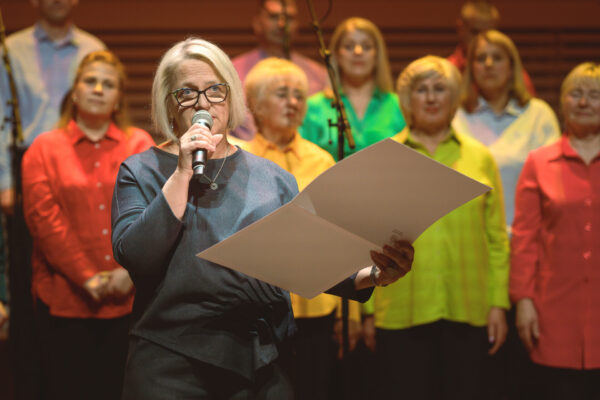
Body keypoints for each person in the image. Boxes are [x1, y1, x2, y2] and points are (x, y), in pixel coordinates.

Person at [111, 37, 414, 399]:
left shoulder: (272, 177)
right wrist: (181, 173)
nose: (203, 103)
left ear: (231, 97)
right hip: (170, 363)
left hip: (261, 362)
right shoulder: (141, 170)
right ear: (168, 103)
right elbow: (137, 256)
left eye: (215, 90)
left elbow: (309, 259)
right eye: (187, 93)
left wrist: (375, 273)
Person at [363, 55, 510, 400]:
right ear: (406, 100)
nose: (430, 98)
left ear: (454, 97)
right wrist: (365, 311)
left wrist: (498, 304)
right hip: (398, 310)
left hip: (469, 308)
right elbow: (364, 238)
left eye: (440, 89)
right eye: (421, 90)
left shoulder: (480, 157)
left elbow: (497, 240)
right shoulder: (385, 158)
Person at [21, 50, 154, 400]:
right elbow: (44, 220)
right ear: (75, 92)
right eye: (90, 81)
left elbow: (155, 214)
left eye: (108, 84)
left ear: (118, 98)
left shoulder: (140, 144)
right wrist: (85, 277)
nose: (98, 89)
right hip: (65, 299)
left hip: (132, 298)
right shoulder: (43, 148)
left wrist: (130, 272)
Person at [230, 57, 362, 400]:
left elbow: (344, 238)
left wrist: (352, 312)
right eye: (281, 94)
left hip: (317, 307)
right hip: (257, 309)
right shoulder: (239, 160)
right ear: (256, 105)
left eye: (299, 95)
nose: (293, 102)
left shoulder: (322, 160)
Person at [0, 1, 105, 398]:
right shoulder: (11, 49)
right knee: (31, 288)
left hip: (81, 170)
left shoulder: (92, 47)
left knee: (79, 271)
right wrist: (5, 180)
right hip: (26, 168)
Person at [510, 62, 600, 400]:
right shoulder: (539, 162)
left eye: (594, 95)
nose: (584, 102)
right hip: (554, 312)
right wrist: (524, 301)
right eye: (576, 94)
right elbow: (525, 239)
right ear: (562, 102)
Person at [452, 29, 560, 230]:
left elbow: (555, 186)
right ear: (471, 68)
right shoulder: (456, 116)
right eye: (481, 58)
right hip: (468, 236)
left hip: (525, 236)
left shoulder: (539, 115)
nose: (488, 64)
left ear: (512, 67)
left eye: (497, 57)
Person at [300, 17, 406, 161]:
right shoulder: (314, 107)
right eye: (349, 46)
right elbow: (305, 163)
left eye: (366, 47)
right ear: (337, 55)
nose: (358, 52)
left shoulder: (399, 106)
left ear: (377, 55)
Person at [231, 0, 328, 139]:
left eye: (289, 18)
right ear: (257, 22)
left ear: (298, 24)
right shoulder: (232, 72)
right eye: (273, 17)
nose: (282, 24)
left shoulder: (319, 75)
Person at [448, 0, 536, 96]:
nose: (482, 39)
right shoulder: (448, 71)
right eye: (475, 32)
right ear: (461, 28)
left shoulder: (514, 75)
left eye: (489, 33)